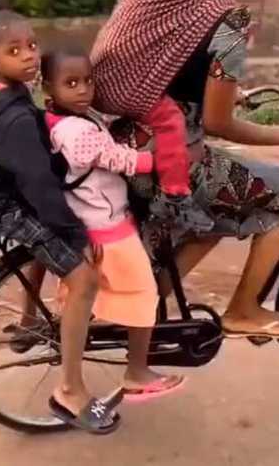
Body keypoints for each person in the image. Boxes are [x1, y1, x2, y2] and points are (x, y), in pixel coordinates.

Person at [91, 0, 279, 339]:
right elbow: (217, 122)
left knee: (217, 220)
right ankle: (244, 309)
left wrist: (231, 91)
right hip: (174, 157)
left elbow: (171, 72)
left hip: (128, 140)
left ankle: (140, 313)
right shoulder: (230, 20)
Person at [0, 11, 118, 433]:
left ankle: (28, 320)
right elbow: (39, 185)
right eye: (14, 51)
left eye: (32, 46)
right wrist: (75, 236)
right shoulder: (15, 118)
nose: (28, 57)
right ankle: (71, 390)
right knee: (83, 278)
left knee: (54, 241)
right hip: (11, 207)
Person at [42, 50, 185, 401]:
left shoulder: (69, 117)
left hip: (96, 218)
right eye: (71, 83)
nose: (83, 90)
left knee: (109, 289)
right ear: (48, 88)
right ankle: (136, 370)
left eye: (88, 81)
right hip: (107, 226)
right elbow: (115, 157)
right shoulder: (75, 131)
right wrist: (160, 160)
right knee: (143, 293)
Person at [105, 0, 215, 233]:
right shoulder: (145, 6)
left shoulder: (148, 3)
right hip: (128, 87)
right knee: (170, 120)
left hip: (126, 85)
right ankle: (175, 193)